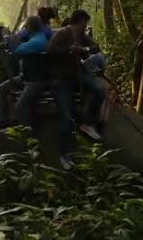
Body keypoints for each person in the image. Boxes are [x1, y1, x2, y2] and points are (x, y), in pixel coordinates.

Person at [48, 9, 106, 169]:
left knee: (98, 90)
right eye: (84, 23)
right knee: (66, 117)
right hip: (61, 80)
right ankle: (64, 155)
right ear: (79, 21)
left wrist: (87, 50)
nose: (85, 26)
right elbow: (50, 50)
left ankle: (87, 122)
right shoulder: (62, 33)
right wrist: (69, 50)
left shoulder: (82, 35)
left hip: (77, 75)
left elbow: (95, 47)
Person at [0, 16, 50, 130]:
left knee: (20, 106)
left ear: (30, 27)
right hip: (27, 77)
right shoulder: (36, 37)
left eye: (26, 26)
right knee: (1, 89)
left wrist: (10, 40)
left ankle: (29, 136)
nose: (25, 29)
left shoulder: (37, 41)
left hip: (36, 81)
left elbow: (18, 51)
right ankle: (3, 121)